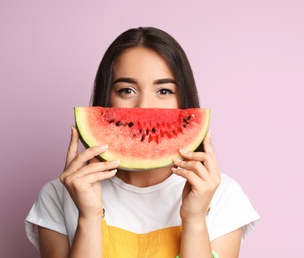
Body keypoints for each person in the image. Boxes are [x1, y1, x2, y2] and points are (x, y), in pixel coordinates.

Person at [25, 27, 260, 258]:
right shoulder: (58, 195)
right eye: (126, 90)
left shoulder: (221, 195)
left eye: (164, 91)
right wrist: (89, 217)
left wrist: (195, 220)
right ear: (106, 99)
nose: (144, 106)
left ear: (184, 100)